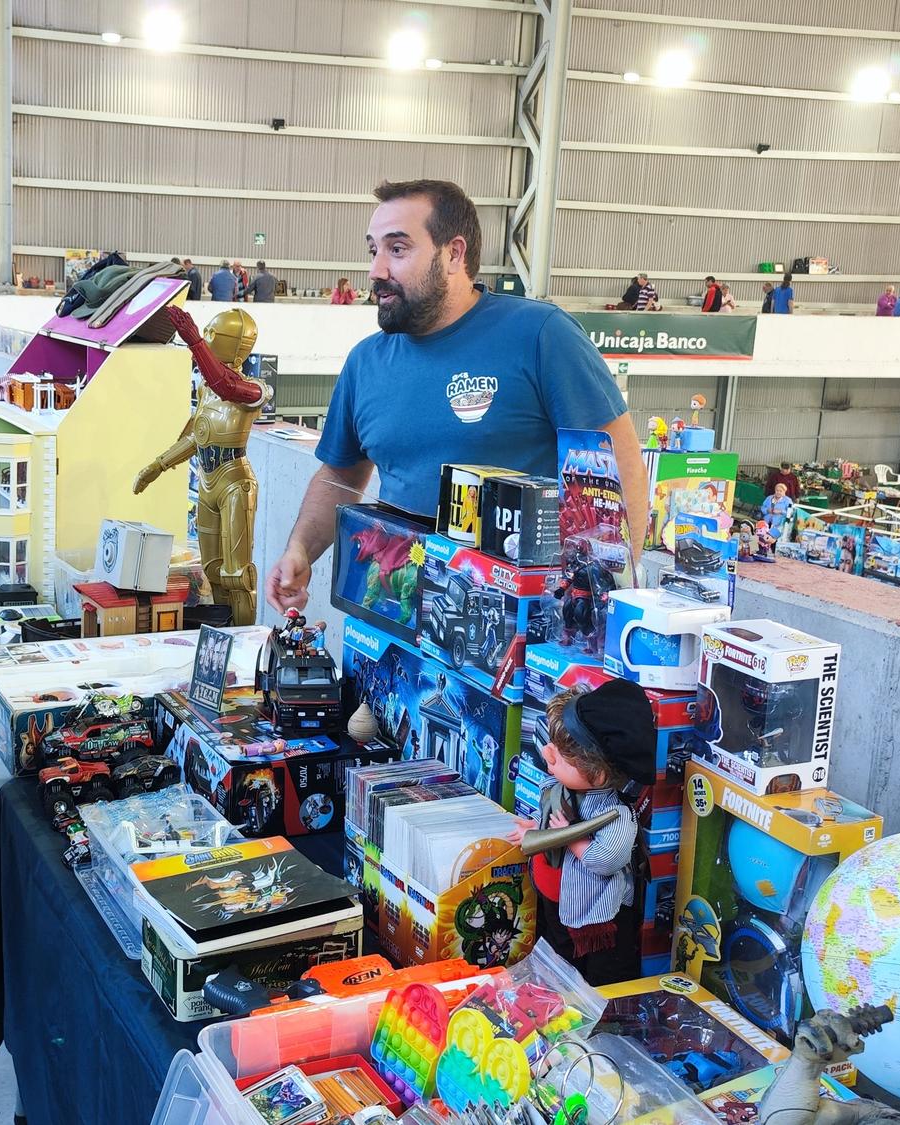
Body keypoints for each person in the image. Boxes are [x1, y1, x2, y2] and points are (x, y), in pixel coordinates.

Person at [266, 179, 643, 613]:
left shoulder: (541, 335)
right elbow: (341, 476)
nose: (376, 271)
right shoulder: (365, 362)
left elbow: (616, 466)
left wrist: (603, 601)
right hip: (394, 617)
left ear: (453, 254)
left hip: (517, 629)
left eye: (398, 249)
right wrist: (300, 550)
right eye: (373, 250)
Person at [515, 681, 656, 986]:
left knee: (602, 972)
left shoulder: (614, 815)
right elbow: (548, 817)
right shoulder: (559, 790)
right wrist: (534, 829)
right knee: (557, 961)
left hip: (596, 916)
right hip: (557, 902)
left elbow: (608, 858)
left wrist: (573, 839)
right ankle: (557, 996)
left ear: (600, 773)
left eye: (562, 757)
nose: (548, 754)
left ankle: (602, 1016)